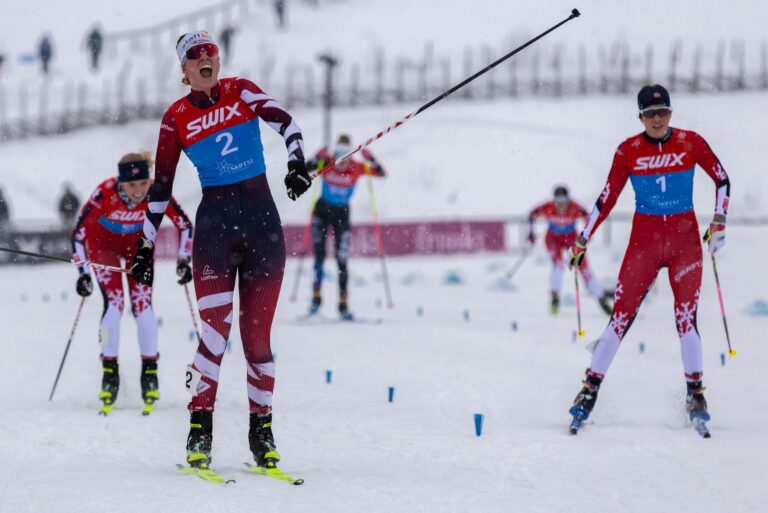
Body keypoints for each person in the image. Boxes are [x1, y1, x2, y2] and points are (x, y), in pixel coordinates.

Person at [129, 31, 311, 472]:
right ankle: (199, 432)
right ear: (184, 70)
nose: (205, 57)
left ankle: (261, 433)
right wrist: (145, 247)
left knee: (257, 341)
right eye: (195, 54)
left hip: (263, 227)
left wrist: (296, 164)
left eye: (210, 51)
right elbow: (161, 188)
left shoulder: (241, 90)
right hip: (213, 232)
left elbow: (288, 124)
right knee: (213, 336)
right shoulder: (175, 118)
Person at [567, 84, 730, 434]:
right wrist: (583, 238)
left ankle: (696, 394)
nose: (657, 120)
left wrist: (719, 221)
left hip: (684, 243)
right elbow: (607, 197)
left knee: (686, 318)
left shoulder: (691, 141)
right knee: (620, 318)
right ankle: (588, 391)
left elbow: (722, 179)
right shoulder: (628, 150)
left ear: (671, 113)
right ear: (640, 116)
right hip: (644, 243)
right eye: (650, 114)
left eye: (663, 112)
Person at [72, 151, 193, 415]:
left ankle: (150, 373)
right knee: (114, 305)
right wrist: (82, 274)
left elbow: (185, 224)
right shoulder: (104, 194)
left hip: (140, 250)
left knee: (142, 306)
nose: (139, 191)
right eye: (131, 185)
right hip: (104, 250)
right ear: (120, 183)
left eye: (142, 184)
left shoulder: (156, 191)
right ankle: (109, 374)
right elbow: (78, 235)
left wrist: (184, 259)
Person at [306, 134, 386, 320]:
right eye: (339, 152)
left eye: (347, 153)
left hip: (342, 214)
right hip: (322, 211)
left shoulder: (357, 167)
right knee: (319, 256)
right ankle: (315, 301)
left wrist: (371, 159)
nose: (343, 158)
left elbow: (381, 173)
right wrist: (316, 157)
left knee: (342, 259)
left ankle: (343, 305)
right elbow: (306, 170)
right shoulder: (328, 162)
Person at [528, 185, 612, 316]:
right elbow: (532, 214)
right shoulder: (548, 207)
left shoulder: (574, 207)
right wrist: (531, 233)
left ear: (568, 200)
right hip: (552, 240)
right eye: (558, 201)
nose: (560, 205)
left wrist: (586, 234)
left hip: (571, 239)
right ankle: (555, 297)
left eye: (563, 201)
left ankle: (602, 300)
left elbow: (589, 217)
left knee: (584, 268)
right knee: (559, 265)